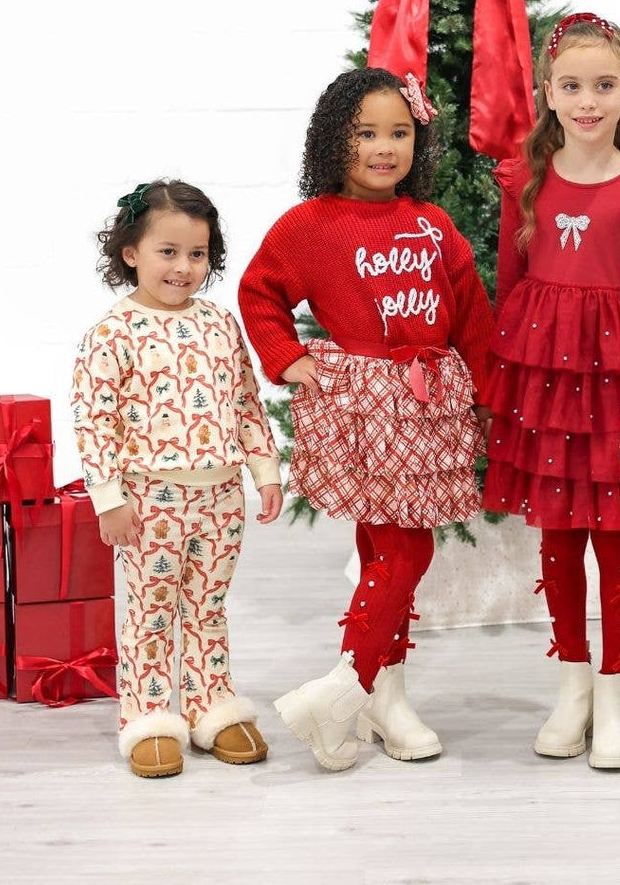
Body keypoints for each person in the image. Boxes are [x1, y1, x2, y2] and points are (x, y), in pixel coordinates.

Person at [239, 68, 494, 771]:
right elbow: (260, 289)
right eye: (367, 134)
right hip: (363, 402)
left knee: (390, 551)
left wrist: (490, 401)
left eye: (400, 133)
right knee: (407, 549)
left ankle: (371, 688)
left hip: (429, 401)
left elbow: (471, 314)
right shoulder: (310, 225)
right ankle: (362, 687)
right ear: (334, 140)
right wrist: (285, 356)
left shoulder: (432, 223)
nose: (385, 148)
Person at [484, 13, 620, 769]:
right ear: (548, 93)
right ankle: (572, 686)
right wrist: (499, 399)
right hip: (546, 390)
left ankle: (615, 691)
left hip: (617, 392)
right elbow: (509, 292)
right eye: (572, 85)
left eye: (604, 84)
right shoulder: (524, 183)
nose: (588, 100)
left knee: (617, 544)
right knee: (559, 539)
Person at [73, 179, 283, 778]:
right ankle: (146, 714)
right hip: (148, 502)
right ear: (131, 252)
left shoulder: (219, 324)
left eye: (197, 254)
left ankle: (210, 703)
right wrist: (109, 500)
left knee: (208, 605)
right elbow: (95, 423)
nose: (184, 267)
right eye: (168, 252)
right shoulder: (110, 334)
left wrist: (264, 470)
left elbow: (245, 401)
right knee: (152, 608)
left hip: (221, 496)